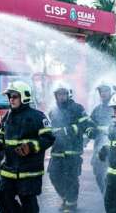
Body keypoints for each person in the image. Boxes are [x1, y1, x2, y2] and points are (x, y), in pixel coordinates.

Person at [0, 81, 55, 213]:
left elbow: (48, 138)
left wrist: (30, 147)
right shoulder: (8, 115)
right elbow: (2, 132)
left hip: (29, 170)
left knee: (28, 203)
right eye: (10, 96)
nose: (11, 99)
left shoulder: (37, 116)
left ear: (24, 96)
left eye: (15, 96)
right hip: (9, 168)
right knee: (2, 196)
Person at [47, 82, 94, 212]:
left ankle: (71, 204)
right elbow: (49, 129)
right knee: (54, 176)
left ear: (68, 94)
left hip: (72, 151)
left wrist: (69, 130)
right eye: (58, 94)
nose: (61, 96)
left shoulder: (77, 108)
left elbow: (86, 125)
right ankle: (66, 197)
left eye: (63, 94)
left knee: (71, 179)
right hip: (57, 151)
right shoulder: (52, 111)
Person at [89, 82, 116, 193]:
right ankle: (106, 194)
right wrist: (89, 132)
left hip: (115, 148)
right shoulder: (96, 110)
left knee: (113, 174)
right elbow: (90, 126)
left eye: (106, 90)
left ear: (111, 92)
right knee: (98, 172)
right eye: (101, 91)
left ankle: (114, 197)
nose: (103, 93)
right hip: (99, 149)